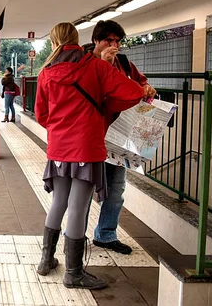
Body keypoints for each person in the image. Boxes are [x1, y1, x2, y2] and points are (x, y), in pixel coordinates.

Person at [35, 22, 144, 290]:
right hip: (86, 147)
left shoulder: (46, 71)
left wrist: (61, 128)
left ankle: (46, 260)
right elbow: (133, 93)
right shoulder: (97, 67)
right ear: (79, 39)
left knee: (59, 201)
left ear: (54, 43)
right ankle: (73, 273)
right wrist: (105, 108)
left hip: (59, 148)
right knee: (78, 206)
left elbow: (41, 115)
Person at [85, 20, 156, 255]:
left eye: (118, 41)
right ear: (96, 40)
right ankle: (76, 236)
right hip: (93, 136)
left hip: (122, 136)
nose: (114, 45)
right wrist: (103, 65)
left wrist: (146, 88)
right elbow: (89, 92)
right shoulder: (85, 63)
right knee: (85, 189)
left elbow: (140, 81)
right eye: (109, 40)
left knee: (116, 188)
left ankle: (106, 235)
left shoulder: (124, 63)